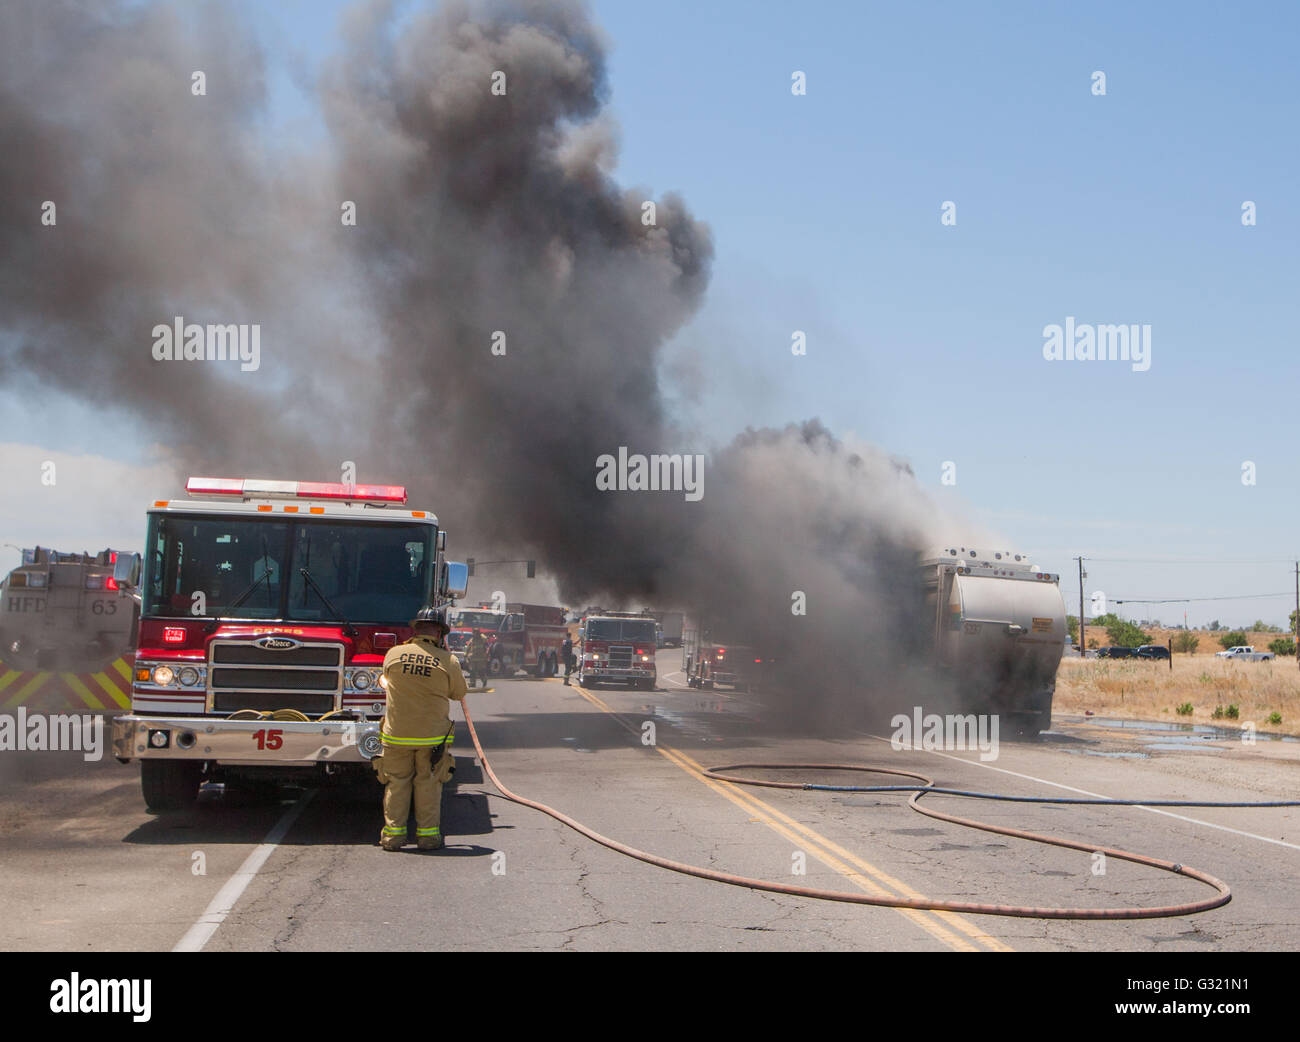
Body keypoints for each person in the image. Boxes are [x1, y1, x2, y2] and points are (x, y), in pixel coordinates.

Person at [375, 606, 468, 851]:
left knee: (397, 783)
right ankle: (427, 838)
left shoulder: (393, 654)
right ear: (440, 633)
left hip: (396, 736)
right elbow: (458, 693)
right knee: (428, 784)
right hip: (431, 740)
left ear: (415, 630)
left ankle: (393, 837)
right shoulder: (449, 661)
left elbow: (386, 679)